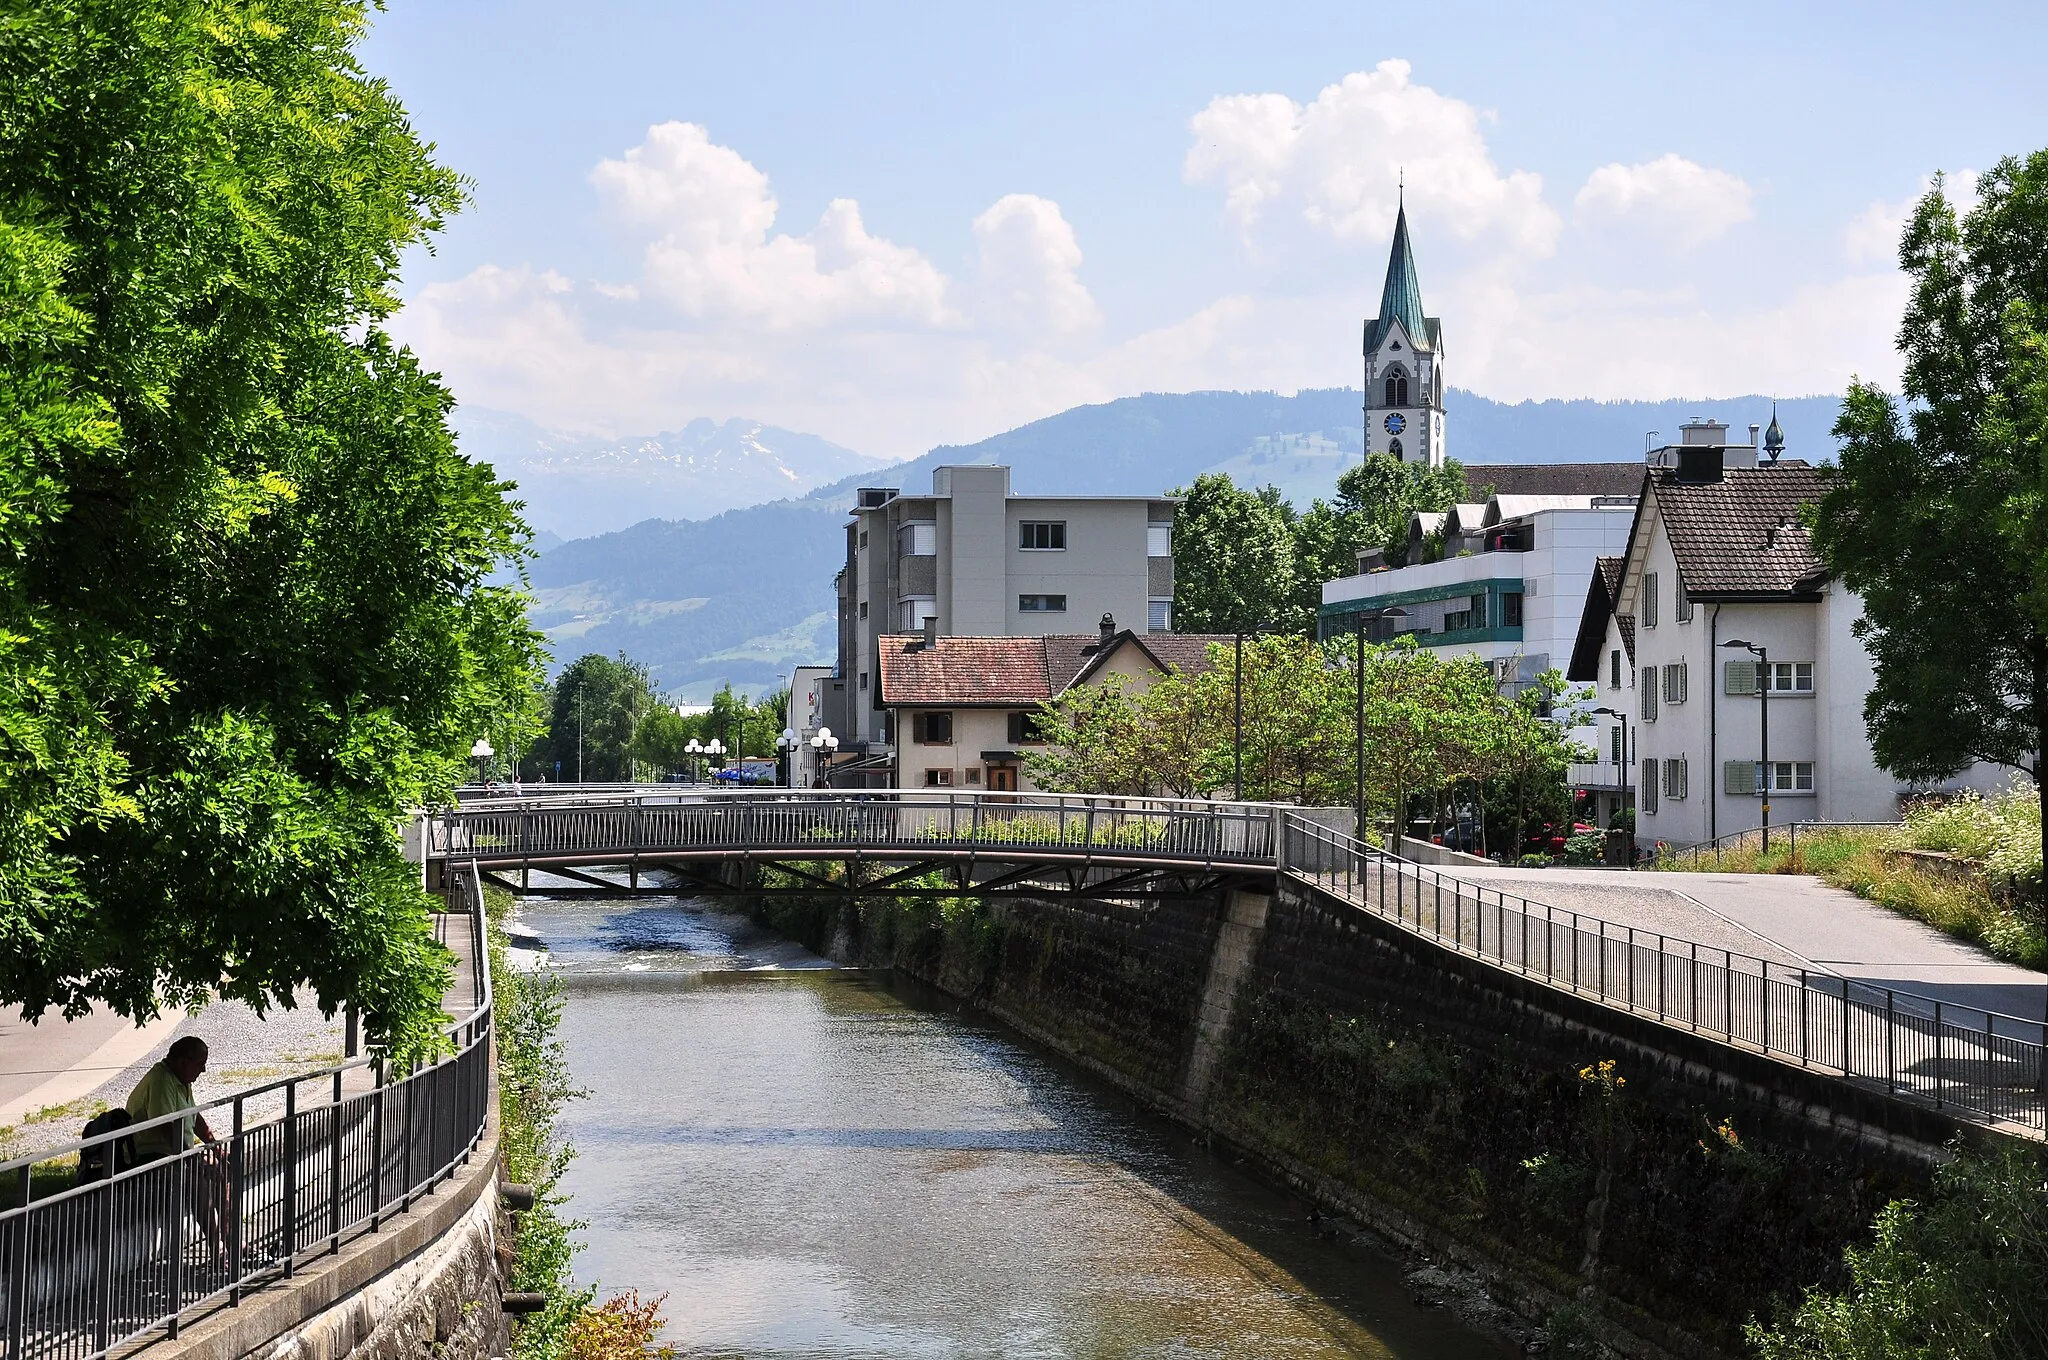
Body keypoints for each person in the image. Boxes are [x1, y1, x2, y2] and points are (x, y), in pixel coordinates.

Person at [126, 1035, 215, 1162]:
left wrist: (216, 1148)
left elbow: (194, 1116)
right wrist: (191, 1160)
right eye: (200, 1064)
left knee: (214, 1171)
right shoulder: (162, 1080)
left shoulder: (181, 1077)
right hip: (152, 1159)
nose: (203, 1070)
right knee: (205, 1176)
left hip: (172, 1155)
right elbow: (166, 1129)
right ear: (182, 1063)